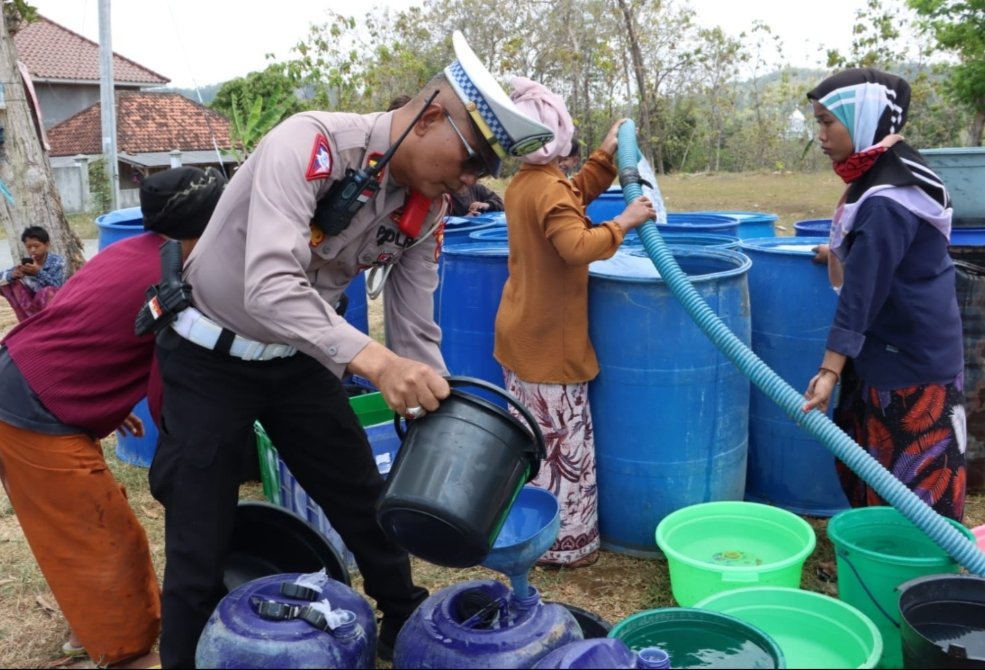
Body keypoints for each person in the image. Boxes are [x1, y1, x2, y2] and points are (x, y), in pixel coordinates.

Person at [149, 30, 555, 668]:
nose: (469, 181)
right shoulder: (309, 146)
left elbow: (416, 329)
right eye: (471, 159)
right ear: (429, 117)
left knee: (365, 500)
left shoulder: (427, 210)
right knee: (199, 536)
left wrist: (441, 410)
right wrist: (379, 363)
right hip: (210, 360)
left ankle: (402, 625)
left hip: (298, 362)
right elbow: (270, 286)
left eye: (483, 172)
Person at [0, 166, 226, 668]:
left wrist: (104, 399)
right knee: (104, 536)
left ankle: (92, 628)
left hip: (31, 379)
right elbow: (169, 385)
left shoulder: (132, 250)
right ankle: (125, 653)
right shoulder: (177, 279)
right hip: (33, 405)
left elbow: (87, 320)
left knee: (83, 522)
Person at [493, 78, 656, 568]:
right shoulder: (549, 191)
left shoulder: (526, 183)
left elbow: (568, 197)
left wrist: (604, 157)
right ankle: (565, 547)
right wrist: (624, 222)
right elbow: (576, 245)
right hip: (550, 345)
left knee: (534, 443)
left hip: (521, 334)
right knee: (564, 448)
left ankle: (533, 532)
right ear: (558, 132)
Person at [801, 68, 966, 521]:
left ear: (863, 118)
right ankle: (879, 548)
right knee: (873, 463)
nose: (821, 135)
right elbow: (884, 250)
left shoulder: (888, 198)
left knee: (914, 478)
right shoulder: (885, 169)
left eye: (828, 122)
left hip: (911, 359)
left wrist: (829, 371)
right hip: (892, 344)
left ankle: (915, 561)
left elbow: (863, 290)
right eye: (818, 122)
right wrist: (839, 251)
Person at [0, 226, 66, 321]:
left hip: (52, 304)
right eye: (29, 247)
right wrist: (14, 275)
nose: (33, 250)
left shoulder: (58, 262)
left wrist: (38, 272)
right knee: (8, 283)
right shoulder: (27, 263)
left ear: (47, 245)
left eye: (36, 246)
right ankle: (26, 320)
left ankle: (48, 321)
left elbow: (59, 287)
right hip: (30, 303)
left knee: (47, 291)